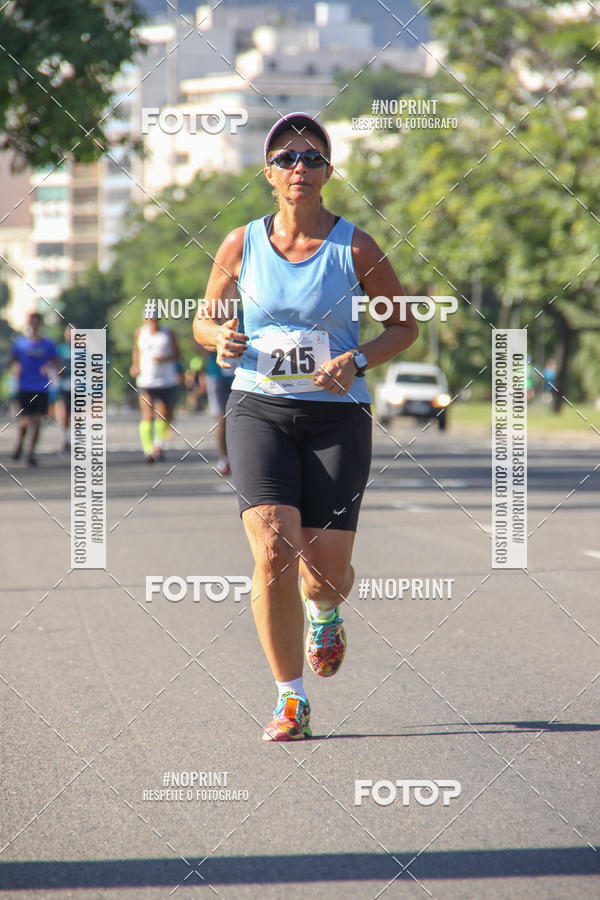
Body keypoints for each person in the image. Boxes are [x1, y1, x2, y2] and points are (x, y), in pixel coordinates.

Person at [193, 112, 418, 742]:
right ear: (268, 174)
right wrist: (221, 338)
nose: (299, 168)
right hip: (258, 407)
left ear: (327, 172)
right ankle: (290, 698)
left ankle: (326, 610)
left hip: (336, 417)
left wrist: (358, 358)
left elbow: (404, 327)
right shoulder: (240, 244)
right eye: (286, 158)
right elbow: (204, 323)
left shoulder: (356, 248)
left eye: (311, 158)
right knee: (272, 553)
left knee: (321, 571)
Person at [9, 311, 60, 466]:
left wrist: (50, 367)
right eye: (31, 321)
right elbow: (12, 362)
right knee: (24, 422)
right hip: (24, 387)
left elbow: (57, 363)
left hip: (41, 388)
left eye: (37, 322)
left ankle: (30, 453)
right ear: (28, 323)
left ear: (40, 324)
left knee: (37, 421)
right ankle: (19, 445)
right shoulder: (19, 343)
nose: (34, 325)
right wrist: (15, 367)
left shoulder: (48, 344)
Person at [130, 308, 180, 462]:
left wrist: (163, 359)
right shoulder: (140, 332)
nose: (152, 322)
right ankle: (148, 450)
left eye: (154, 319)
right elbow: (137, 351)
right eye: (149, 319)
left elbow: (177, 354)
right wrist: (135, 365)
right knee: (147, 413)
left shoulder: (167, 333)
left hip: (166, 380)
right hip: (146, 380)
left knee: (165, 415)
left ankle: (159, 444)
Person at [56, 323, 75, 453]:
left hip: (80, 386)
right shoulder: (60, 350)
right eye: (69, 333)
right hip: (64, 386)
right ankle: (65, 439)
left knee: (79, 415)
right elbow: (54, 365)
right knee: (64, 414)